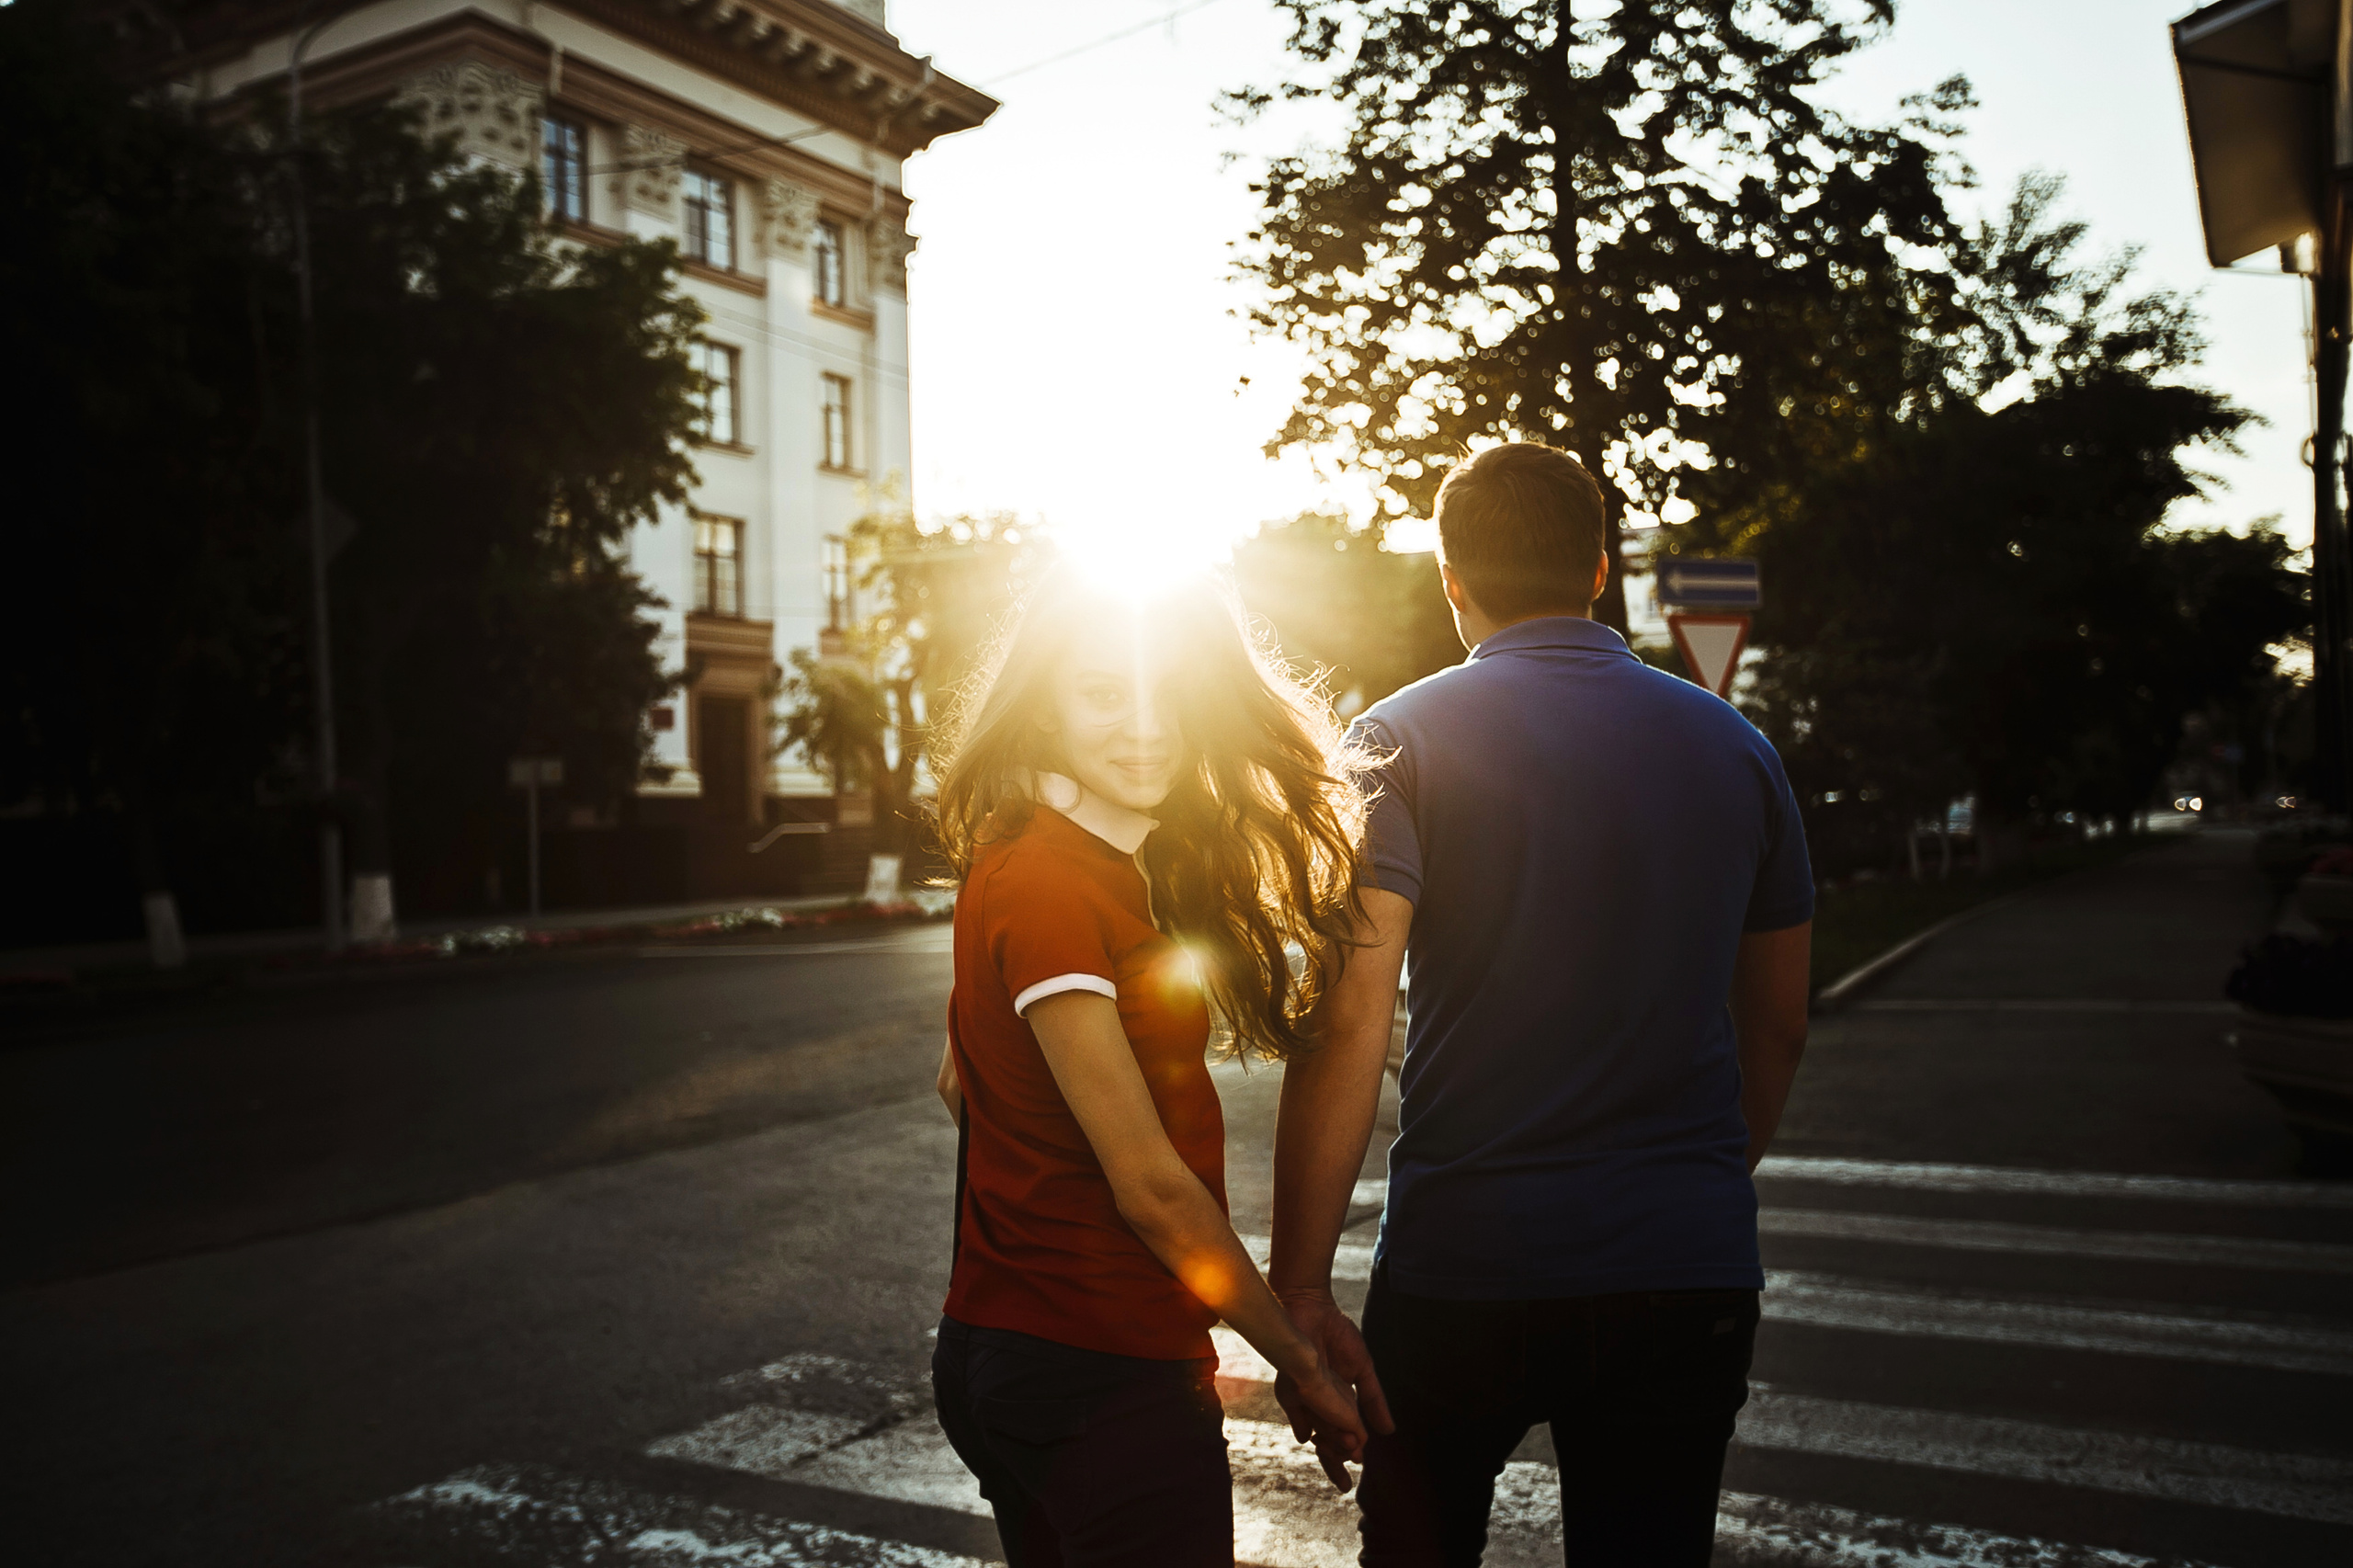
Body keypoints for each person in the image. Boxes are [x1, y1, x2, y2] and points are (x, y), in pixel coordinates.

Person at [1267, 442, 1815, 1566]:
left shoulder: (1395, 740)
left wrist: (1302, 1290)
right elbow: (1779, 1020)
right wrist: (1703, 1177)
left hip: (1466, 1265)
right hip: (1685, 1262)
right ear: (1601, 568)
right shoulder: (1740, 747)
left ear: (1450, 577)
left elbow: (1350, 1020)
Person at [928, 564, 1377, 1567]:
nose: (1145, 724)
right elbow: (1150, 1187)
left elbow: (959, 1081)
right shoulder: (1054, 884)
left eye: (1168, 693)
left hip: (1005, 1351)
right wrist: (1297, 1358)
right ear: (1043, 706)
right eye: (1102, 693)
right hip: (1099, 1374)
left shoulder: (1023, 851)